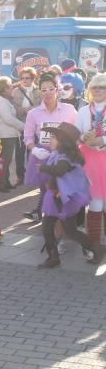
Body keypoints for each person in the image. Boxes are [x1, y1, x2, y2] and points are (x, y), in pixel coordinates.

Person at [36, 122, 105, 268]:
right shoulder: (59, 155)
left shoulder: (66, 157)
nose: (50, 140)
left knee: (69, 231)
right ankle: (54, 257)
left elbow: (60, 170)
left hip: (63, 200)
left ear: (63, 141)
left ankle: (97, 249)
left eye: (54, 137)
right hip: (56, 197)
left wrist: (43, 167)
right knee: (52, 228)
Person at [23, 72, 77, 222]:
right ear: (39, 92)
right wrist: (34, 149)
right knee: (47, 191)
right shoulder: (33, 114)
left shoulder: (69, 109)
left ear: (57, 90)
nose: (47, 93)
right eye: (43, 90)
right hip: (43, 157)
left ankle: (65, 222)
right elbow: (27, 137)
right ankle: (50, 222)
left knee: (63, 191)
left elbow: (77, 132)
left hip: (64, 157)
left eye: (50, 89)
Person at [76, 74, 106, 248]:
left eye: (102, 87)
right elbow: (76, 134)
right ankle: (95, 245)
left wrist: (102, 140)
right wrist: (83, 137)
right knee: (94, 204)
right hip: (90, 162)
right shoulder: (83, 111)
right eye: (95, 87)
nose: (98, 90)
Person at [0, 76, 25, 192]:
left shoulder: (3, 100)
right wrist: (23, 126)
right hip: (6, 135)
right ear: (4, 89)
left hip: (8, 134)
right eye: (10, 87)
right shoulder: (1, 101)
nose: (12, 88)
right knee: (5, 161)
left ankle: (6, 182)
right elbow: (8, 119)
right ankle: (1, 184)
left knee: (8, 160)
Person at [11, 67, 41, 186]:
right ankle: (20, 177)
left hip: (35, 125)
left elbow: (40, 107)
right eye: (22, 78)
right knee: (19, 152)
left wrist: (34, 110)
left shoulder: (38, 91)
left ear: (33, 79)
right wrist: (27, 109)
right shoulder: (15, 91)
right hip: (21, 124)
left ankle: (31, 175)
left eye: (27, 78)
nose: (24, 80)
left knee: (32, 152)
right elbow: (14, 109)